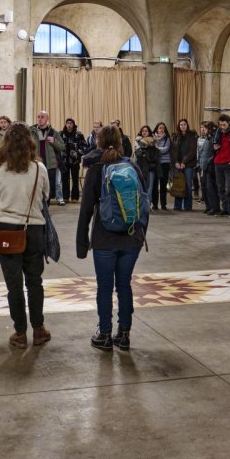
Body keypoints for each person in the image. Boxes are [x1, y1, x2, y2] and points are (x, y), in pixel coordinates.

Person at [77, 123, 149, 352]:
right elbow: (144, 203)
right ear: (120, 142)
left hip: (104, 238)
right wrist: (141, 234)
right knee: (124, 285)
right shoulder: (132, 166)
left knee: (105, 287)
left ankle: (105, 335)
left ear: (98, 142)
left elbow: (86, 210)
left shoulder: (96, 169)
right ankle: (124, 335)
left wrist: (82, 244)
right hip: (132, 237)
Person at [0, 122, 52, 349]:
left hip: (7, 230)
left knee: (13, 285)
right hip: (34, 229)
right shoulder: (39, 169)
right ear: (30, 142)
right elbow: (46, 195)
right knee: (35, 282)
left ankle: (20, 333)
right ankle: (39, 329)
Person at [31, 110, 66, 206]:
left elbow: (62, 147)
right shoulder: (31, 131)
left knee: (49, 189)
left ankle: (46, 207)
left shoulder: (53, 132)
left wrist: (54, 142)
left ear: (47, 119)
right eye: (38, 117)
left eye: (42, 117)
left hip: (50, 165)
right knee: (36, 187)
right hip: (36, 164)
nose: (40, 119)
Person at [171, 118, 198, 211]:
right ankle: (177, 205)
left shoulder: (192, 137)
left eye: (184, 124)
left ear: (187, 125)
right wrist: (176, 162)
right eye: (181, 124)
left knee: (188, 185)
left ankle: (187, 206)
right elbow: (173, 151)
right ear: (179, 126)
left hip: (188, 164)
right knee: (178, 184)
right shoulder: (175, 137)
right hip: (178, 165)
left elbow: (192, 151)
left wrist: (184, 162)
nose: (183, 126)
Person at [59, 117, 86, 203]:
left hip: (75, 161)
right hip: (64, 161)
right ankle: (65, 197)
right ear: (65, 124)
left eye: (71, 123)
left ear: (73, 124)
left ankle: (75, 197)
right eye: (68, 123)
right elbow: (57, 145)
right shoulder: (61, 134)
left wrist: (78, 153)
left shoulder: (79, 134)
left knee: (75, 179)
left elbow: (84, 146)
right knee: (64, 180)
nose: (69, 125)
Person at [133, 125, 160, 205]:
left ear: (149, 132)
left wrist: (147, 154)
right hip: (140, 167)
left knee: (149, 187)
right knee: (140, 186)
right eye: (143, 131)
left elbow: (156, 153)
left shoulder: (154, 142)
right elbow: (138, 153)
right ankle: (141, 204)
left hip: (151, 167)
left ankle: (148, 204)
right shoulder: (137, 141)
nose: (144, 132)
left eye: (146, 131)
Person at [153, 122, 173, 212]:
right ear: (157, 129)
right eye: (160, 128)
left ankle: (163, 204)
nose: (161, 129)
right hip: (156, 163)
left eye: (163, 128)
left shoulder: (167, 138)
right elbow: (153, 150)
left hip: (165, 163)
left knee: (163, 185)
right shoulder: (153, 138)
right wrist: (156, 147)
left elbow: (165, 150)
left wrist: (156, 147)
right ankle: (155, 204)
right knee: (155, 185)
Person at [198, 121, 218, 213]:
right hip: (204, 166)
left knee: (211, 188)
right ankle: (208, 206)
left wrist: (208, 162)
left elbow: (214, 153)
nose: (203, 130)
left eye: (205, 128)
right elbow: (202, 153)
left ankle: (214, 207)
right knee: (204, 187)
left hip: (210, 166)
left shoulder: (213, 139)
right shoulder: (207, 138)